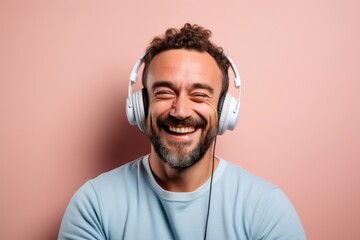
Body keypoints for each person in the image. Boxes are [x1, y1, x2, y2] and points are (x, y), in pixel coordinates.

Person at [58, 23, 306, 240]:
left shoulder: (266, 208)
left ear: (224, 110)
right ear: (141, 106)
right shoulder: (94, 205)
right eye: (165, 92)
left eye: (199, 95)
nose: (180, 110)